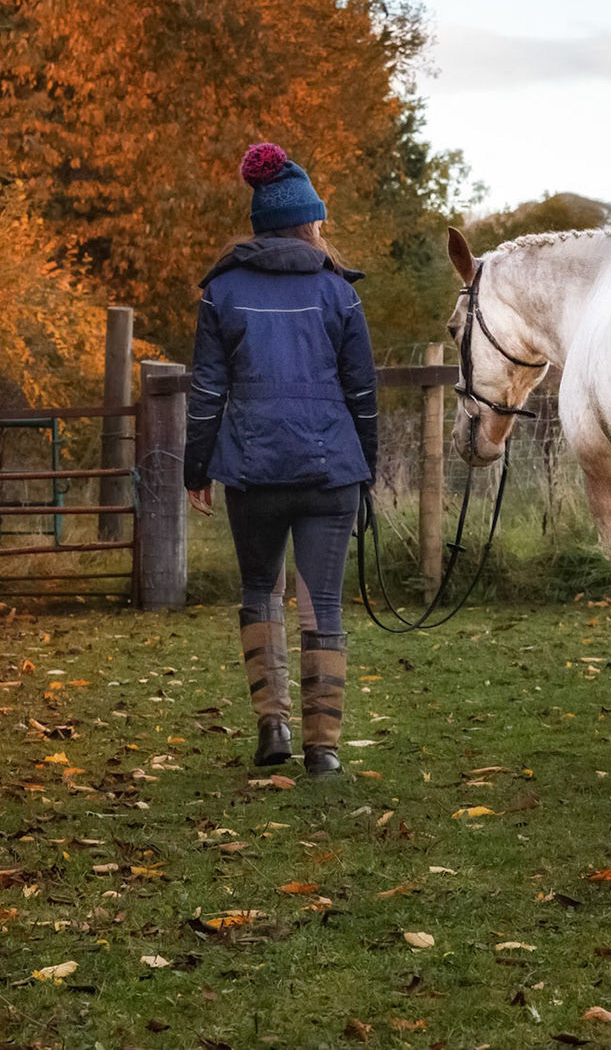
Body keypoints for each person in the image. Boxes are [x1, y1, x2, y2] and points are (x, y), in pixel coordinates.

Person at [183, 143, 378, 778]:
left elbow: (207, 389)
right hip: (330, 471)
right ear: (305, 220)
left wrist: (196, 468)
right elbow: (362, 394)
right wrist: (366, 467)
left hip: (253, 469)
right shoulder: (338, 292)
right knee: (322, 600)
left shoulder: (221, 291)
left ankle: (273, 726)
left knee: (259, 590)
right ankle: (322, 748)